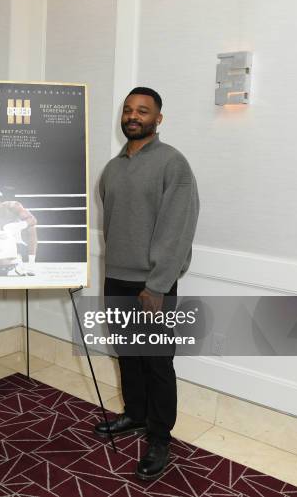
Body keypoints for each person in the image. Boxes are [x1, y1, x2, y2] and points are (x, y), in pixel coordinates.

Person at [95, 87, 199, 480]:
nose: (133, 116)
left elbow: (178, 229)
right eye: (128, 110)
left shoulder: (174, 164)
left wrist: (157, 284)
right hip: (116, 278)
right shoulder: (112, 168)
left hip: (152, 285)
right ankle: (135, 415)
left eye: (143, 111)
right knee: (128, 355)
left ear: (159, 119)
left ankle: (159, 437)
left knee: (157, 363)